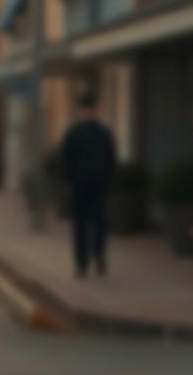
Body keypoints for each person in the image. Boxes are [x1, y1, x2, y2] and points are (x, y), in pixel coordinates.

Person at [59, 91, 116, 278]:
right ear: (81, 111)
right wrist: (66, 181)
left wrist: (109, 177)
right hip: (81, 185)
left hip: (95, 184)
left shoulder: (101, 133)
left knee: (99, 223)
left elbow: (110, 158)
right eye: (84, 110)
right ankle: (83, 263)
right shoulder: (75, 134)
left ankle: (96, 254)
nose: (86, 113)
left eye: (89, 110)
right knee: (82, 225)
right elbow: (66, 160)